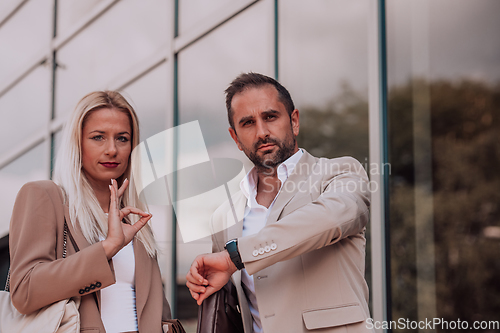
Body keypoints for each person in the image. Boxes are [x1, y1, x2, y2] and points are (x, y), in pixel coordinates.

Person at [186, 73, 373, 333]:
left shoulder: (340, 173)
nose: (262, 132)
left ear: (294, 121)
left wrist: (236, 257)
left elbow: (331, 218)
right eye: (248, 123)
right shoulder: (224, 217)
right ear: (235, 138)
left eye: (270, 117)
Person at [8, 91, 171, 333]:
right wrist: (107, 248)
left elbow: (155, 310)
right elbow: (25, 290)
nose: (112, 150)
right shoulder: (46, 196)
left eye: (122, 138)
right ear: (77, 142)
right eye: (98, 137)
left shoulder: (136, 221)